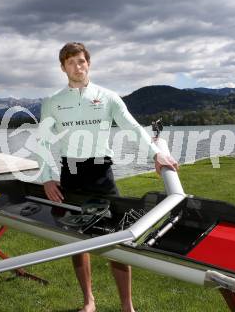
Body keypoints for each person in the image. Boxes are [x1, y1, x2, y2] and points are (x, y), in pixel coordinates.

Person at [38, 42, 178, 312]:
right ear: (62, 67)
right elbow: (42, 143)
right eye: (70, 62)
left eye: (81, 61)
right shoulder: (53, 103)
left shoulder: (108, 97)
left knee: (118, 238)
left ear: (88, 63)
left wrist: (155, 154)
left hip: (102, 174)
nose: (77, 67)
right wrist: (46, 177)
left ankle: (127, 305)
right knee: (77, 240)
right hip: (72, 175)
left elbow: (133, 127)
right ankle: (89, 301)